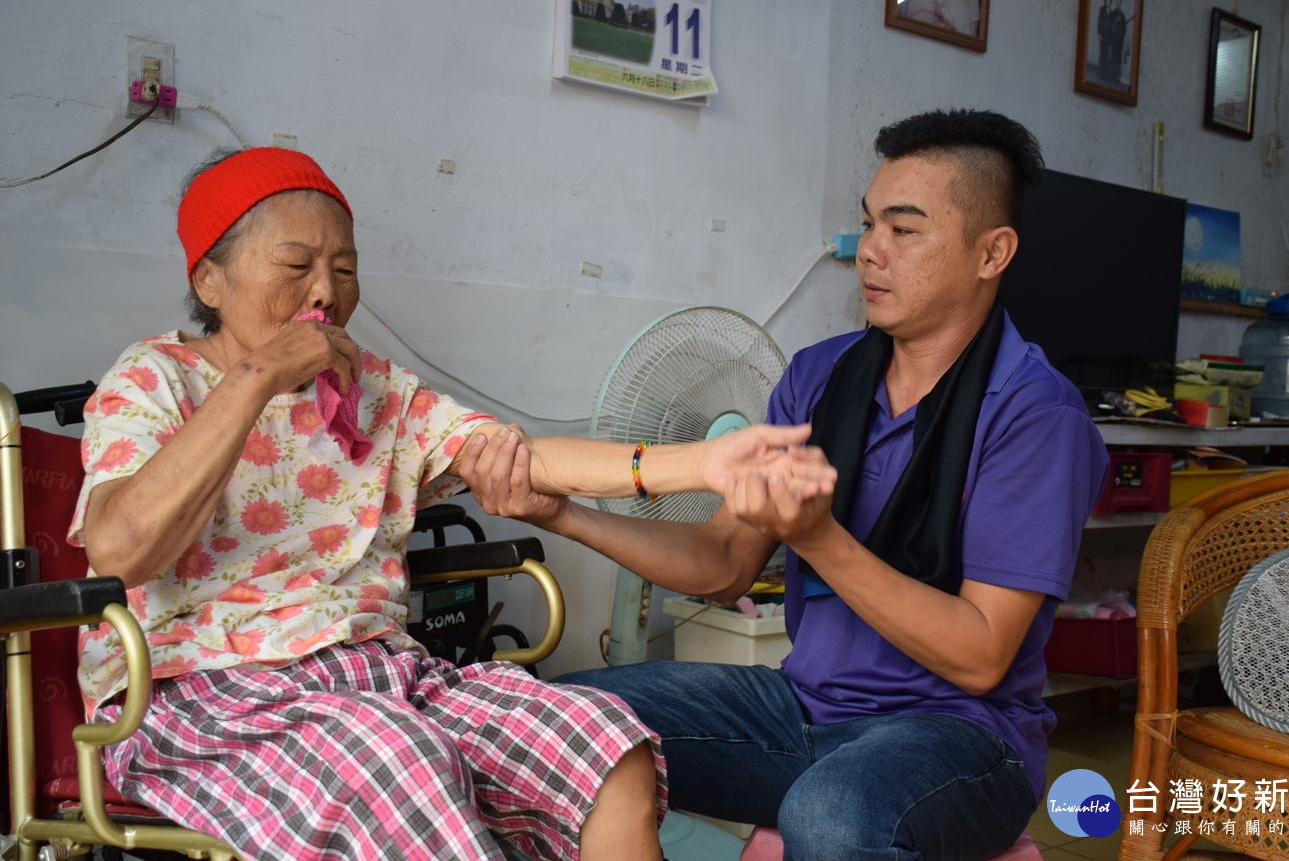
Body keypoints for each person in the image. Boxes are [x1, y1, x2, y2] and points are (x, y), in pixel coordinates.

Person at [69, 146, 832, 861]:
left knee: (604, 748)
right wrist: (255, 378)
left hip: (380, 682)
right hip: (201, 697)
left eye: (344, 268)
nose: (326, 294)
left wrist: (703, 462)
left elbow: (519, 456)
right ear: (209, 281)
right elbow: (120, 548)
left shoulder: (370, 389)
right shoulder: (153, 381)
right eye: (296, 265)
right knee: (397, 761)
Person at [459, 109, 1110, 861]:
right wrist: (565, 515)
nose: (869, 252)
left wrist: (818, 539)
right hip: (799, 712)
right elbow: (726, 561)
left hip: (963, 737)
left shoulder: (1035, 414)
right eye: (867, 225)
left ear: (991, 252)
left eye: (904, 231)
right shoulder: (819, 376)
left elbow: (980, 655)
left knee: (831, 815)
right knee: (554, 721)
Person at [1097, 0, 1114, 81]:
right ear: (1105, 1)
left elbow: (1112, 26)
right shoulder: (1102, 10)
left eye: (1110, 1)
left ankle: (1104, 74)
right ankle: (1100, 74)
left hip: (1109, 38)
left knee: (1106, 56)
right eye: (1107, 0)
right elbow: (1099, 22)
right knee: (1102, 55)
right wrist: (1099, 33)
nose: (1108, 2)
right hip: (1103, 36)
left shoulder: (1111, 13)